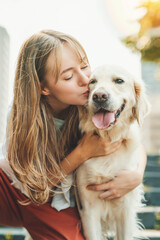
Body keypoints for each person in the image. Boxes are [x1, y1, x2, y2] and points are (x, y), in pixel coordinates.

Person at [0, 30, 147, 240]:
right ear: (44, 88)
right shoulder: (22, 114)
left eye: (85, 66)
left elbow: (129, 137)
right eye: (68, 76)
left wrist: (137, 174)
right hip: (20, 192)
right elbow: (34, 188)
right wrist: (82, 153)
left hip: (61, 200)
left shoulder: (90, 103)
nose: (85, 80)